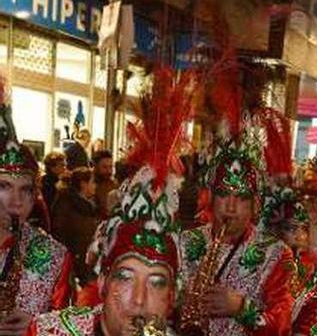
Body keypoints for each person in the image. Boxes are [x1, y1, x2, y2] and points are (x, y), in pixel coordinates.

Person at [28, 66, 193, 336]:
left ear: (173, 296)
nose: (139, 300)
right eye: (125, 277)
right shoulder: (51, 332)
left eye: (157, 283)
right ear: (103, 281)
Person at [178, 127, 296, 336]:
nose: (231, 208)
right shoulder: (185, 241)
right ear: (211, 198)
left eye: (241, 198)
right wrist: (179, 301)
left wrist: (241, 308)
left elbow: (284, 324)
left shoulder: (276, 254)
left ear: (255, 204)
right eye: (223, 195)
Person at [0, 80, 73, 336]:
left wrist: (37, 328)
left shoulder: (54, 255)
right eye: (5, 186)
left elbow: (66, 324)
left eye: (26, 189)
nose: (16, 200)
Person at [50, 167, 99, 284]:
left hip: (84, 259)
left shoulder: (89, 205)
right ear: (83, 184)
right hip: (74, 260)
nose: (95, 186)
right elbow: (60, 232)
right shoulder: (66, 203)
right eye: (92, 182)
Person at [90, 150, 116, 219]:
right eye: (104, 167)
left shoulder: (114, 185)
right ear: (95, 166)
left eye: (111, 167)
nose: (109, 171)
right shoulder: (88, 185)